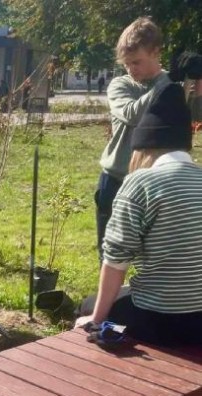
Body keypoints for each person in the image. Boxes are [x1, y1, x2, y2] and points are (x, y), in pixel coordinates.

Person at [75, 82, 202, 347]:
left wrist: (95, 320)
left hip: (159, 320)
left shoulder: (141, 183)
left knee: (87, 305)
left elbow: (115, 262)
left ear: (143, 149)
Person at [94, 17, 172, 261]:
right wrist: (165, 84)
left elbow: (194, 116)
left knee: (151, 255)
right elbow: (132, 114)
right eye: (127, 63)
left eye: (136, 62)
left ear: (156, 52)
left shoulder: (170, 83)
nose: (131, 69)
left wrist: (197, 81)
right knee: (110, 254)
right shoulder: (120, 85)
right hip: (115, 180)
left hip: (155, 184)